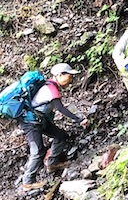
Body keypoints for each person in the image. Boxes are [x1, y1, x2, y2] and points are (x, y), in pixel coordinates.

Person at [19, 63, 88, 191]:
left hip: (40, 120)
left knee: (61, 136)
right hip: (31, 122)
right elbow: (61, 108)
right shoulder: (51, 88)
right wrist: (79, 120)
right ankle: (28, 182)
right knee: (38, 151)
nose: (71, 79)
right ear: (60, 75)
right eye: (69, 75)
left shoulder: (50, 86)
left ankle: (53, 163)